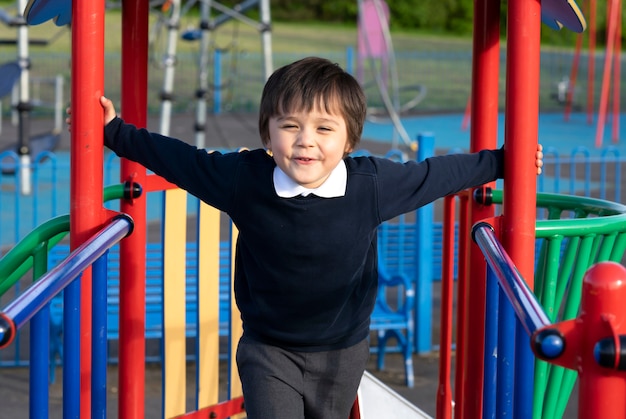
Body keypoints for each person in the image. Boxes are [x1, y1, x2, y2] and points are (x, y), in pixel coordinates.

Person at [69, 56, 543, 419]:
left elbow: (435, 174)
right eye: (290, 125)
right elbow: (181, 160)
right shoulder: (245, 178)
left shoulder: (370, 185)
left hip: (342, 347)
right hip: (267, 348)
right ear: (268, 133)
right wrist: (113, 131)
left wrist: (504, 160)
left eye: (324, 128)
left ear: (349, 140)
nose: (305, 141)